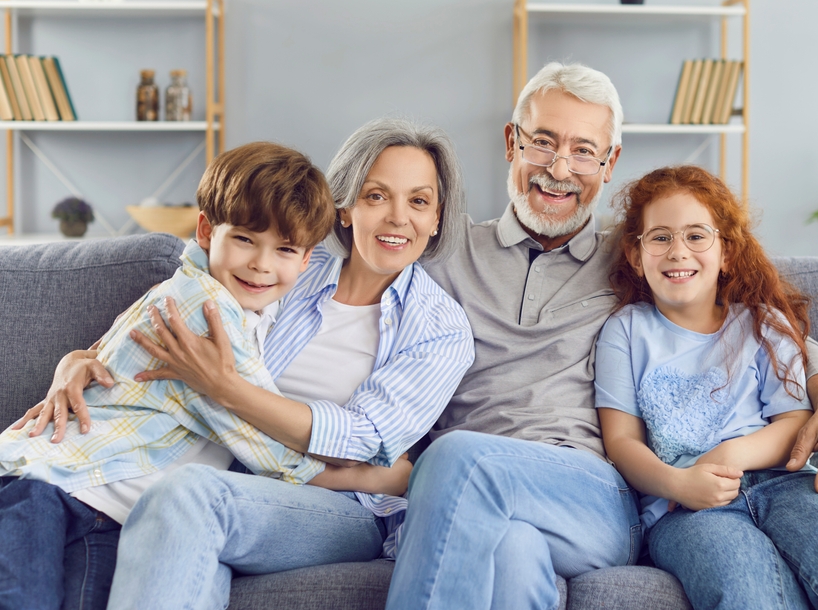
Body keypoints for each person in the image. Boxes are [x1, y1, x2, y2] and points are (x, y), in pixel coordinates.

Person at [385, 62, 818, 609]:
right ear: (510, 143)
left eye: (584, 151)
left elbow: (761, 322)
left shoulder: (643, 254)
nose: (559, 169)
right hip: (479, 491)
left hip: (589, 493)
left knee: (451, 459)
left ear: (610, 162)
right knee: (511, 550)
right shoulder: (445, 253)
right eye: (542, 142)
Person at [10, 119, 474, 610]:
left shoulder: (440, 326)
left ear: (438, 217)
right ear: (346, 205)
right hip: (228, 479)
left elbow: (364, 444)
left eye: (419, 201)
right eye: (377, 195)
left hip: (342, 506)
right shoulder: (290, 264)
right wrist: (77, 360)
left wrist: (226, 387)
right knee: (188, 514)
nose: (398, 217)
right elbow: (161, 319)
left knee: (189, 494)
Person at [595, 165, 818, 609]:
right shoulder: (624, 331)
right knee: (742, 586)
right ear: (637, 256)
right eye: (660, 237)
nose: (678, 251)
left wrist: (733, 454)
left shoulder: (761, 323)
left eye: (697, 236)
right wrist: (679, 484)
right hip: (687, 511)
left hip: (786, 485)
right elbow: (620, 442)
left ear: (727, 252)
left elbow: (795, 422)